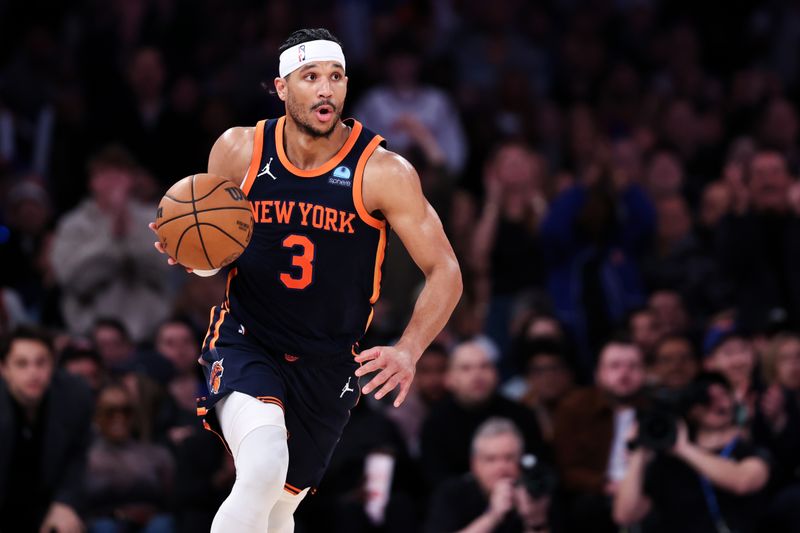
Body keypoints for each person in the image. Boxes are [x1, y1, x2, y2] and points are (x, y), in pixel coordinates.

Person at [150, 28, 462, 533]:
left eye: (336, 77)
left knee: (278, 512)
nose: (325, 89)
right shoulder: (239, 150)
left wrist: (408, 349)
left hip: (328, 361)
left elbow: (446, 270)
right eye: (310, 76)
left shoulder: (382, 171)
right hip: (249, 339)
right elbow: (214, 257)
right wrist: (189, 252)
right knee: (263, 467)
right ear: (281, 88)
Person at [614, 372, 770, 533]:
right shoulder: (669, 463)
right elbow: (626, 515)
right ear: (692, 408)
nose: (715, 403)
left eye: (722, 395)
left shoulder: (749, 449)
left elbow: (743, 482)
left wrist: (683, 448)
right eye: (705, 398)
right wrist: (639, 451)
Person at [50, 145, 171, 342]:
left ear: (132, 180)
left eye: (120, 174)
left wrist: (128, 232)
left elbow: (163, 269)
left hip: (148, 334)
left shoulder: (154, 217)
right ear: (92, 181)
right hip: (88, 333)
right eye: (105, 175)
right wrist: (111, 236)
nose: (113, 182)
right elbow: (74, 279)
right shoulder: (73, 224)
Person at [0, 325, 94, 533]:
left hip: (46, 506)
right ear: (4, 369)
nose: (33, 373)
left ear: (53, 364)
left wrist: (66, 503)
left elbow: (78, 458)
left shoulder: (74, 396)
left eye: (41, 363)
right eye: (21, 364)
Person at [420, 340, 545, 489]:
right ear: (449, 379)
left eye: (484, 366)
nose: (477, 375)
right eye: (466, 368)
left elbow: (539, 468)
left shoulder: (522, 416)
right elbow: (437, 483)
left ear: (496, 374)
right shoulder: (434, 425)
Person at [553, 337, 646, 533]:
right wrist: (605, 485)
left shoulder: (656, 410)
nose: (624, 373)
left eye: (633, 366)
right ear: (598, 373)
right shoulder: (575, 407)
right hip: (596, 496)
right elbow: (566, 469)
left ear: (645, 372)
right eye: (614, 366)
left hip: (644, 494)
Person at [425, 418, 553, 533]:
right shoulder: (452, 494)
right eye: (491, 459)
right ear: (474, 464)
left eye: (509, 458)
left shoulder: (537, 490)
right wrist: (493, 516)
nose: (501, 467)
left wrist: (535, 520)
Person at [84, 382, 175, 533]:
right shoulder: (87, 458)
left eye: (125, 411)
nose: (119, 417)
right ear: (97, 415)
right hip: (104, 523)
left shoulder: (156, 455)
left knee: (163, 525)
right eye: (110, 411)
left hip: (151, 524)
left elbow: (171, 502)